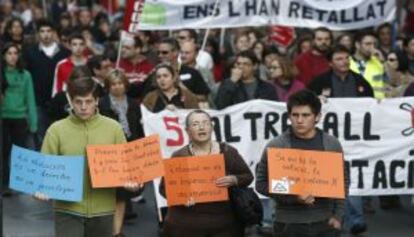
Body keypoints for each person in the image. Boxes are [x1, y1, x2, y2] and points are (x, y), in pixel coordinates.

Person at [38, 77, 141, 237]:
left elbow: (125, 166)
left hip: (104, 208)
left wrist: (131, 181)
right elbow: (44, 168)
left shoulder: (113, 128)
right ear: (70, 101)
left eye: (88, 101)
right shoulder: (56, 130)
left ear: (97, 100)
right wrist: (41, 187)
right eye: (78, 102)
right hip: (67, 209)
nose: (84, 107)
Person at [255, 89, 349, 237]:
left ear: (317, 117)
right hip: (288, 223)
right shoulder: (277, 145)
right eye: (295, 115)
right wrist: (293, 196)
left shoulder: (331, 144)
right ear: (289, 116)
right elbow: (261, 184)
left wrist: (338, 216)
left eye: (305, 115)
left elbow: (342, 182)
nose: (299, 120)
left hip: (325, 222)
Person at [159, 109, 254, 237]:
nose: (201, 127)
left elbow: (248, 176)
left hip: (224, 223)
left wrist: (234, 179)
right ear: (187, 131)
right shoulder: (178, 156)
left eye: (205, 123)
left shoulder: (227, 152)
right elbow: (163, 188)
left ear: (212, 127)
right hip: (186, 223)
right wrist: (181, 198)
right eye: (195, 124)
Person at [98, 69, 144, 236]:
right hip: (109, 151)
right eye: (113, 84)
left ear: (125, 84)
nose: (117, 87)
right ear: (108, 87)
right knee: (109, 190)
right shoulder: (101, 104)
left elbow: (138, 127)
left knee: (123, 192)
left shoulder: (133, 104)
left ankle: (117, 231)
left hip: (130, 148)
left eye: (120, 83)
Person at [23, 19, 70, 148]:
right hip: (38, 103)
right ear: (38, 34)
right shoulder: (29, 53)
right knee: (41, 139)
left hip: (61, 104)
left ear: (54, 33)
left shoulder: (65, 53)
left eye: (49, 31)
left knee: (62, 139)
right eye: (42, 31)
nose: (46, 34)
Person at [1, 43, 37, 196]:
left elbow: (30, 99)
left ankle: (20, 182)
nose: (12, 56)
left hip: (20, 117)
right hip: (2, 118)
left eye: (15, 53)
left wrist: (34, 123)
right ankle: (4, 185)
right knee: (3, 153)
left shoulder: (25, 74)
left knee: (20, 153)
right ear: (3, 55)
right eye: (9, 53)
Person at [308, 45, 374, 98]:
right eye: (339, 59)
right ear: (330, 63)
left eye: (347, 58)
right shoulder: (319, 82)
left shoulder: (360, 80)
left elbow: (370, 100)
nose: (345, 62)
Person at [350, 31, 386, 99]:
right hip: (353, 103)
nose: (372, 47)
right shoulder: (346, 62)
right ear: (357, 45)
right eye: (368, 44)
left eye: (374, 44)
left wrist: (383, 62)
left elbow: (392, 82)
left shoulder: (380, 61)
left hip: (376, 104)